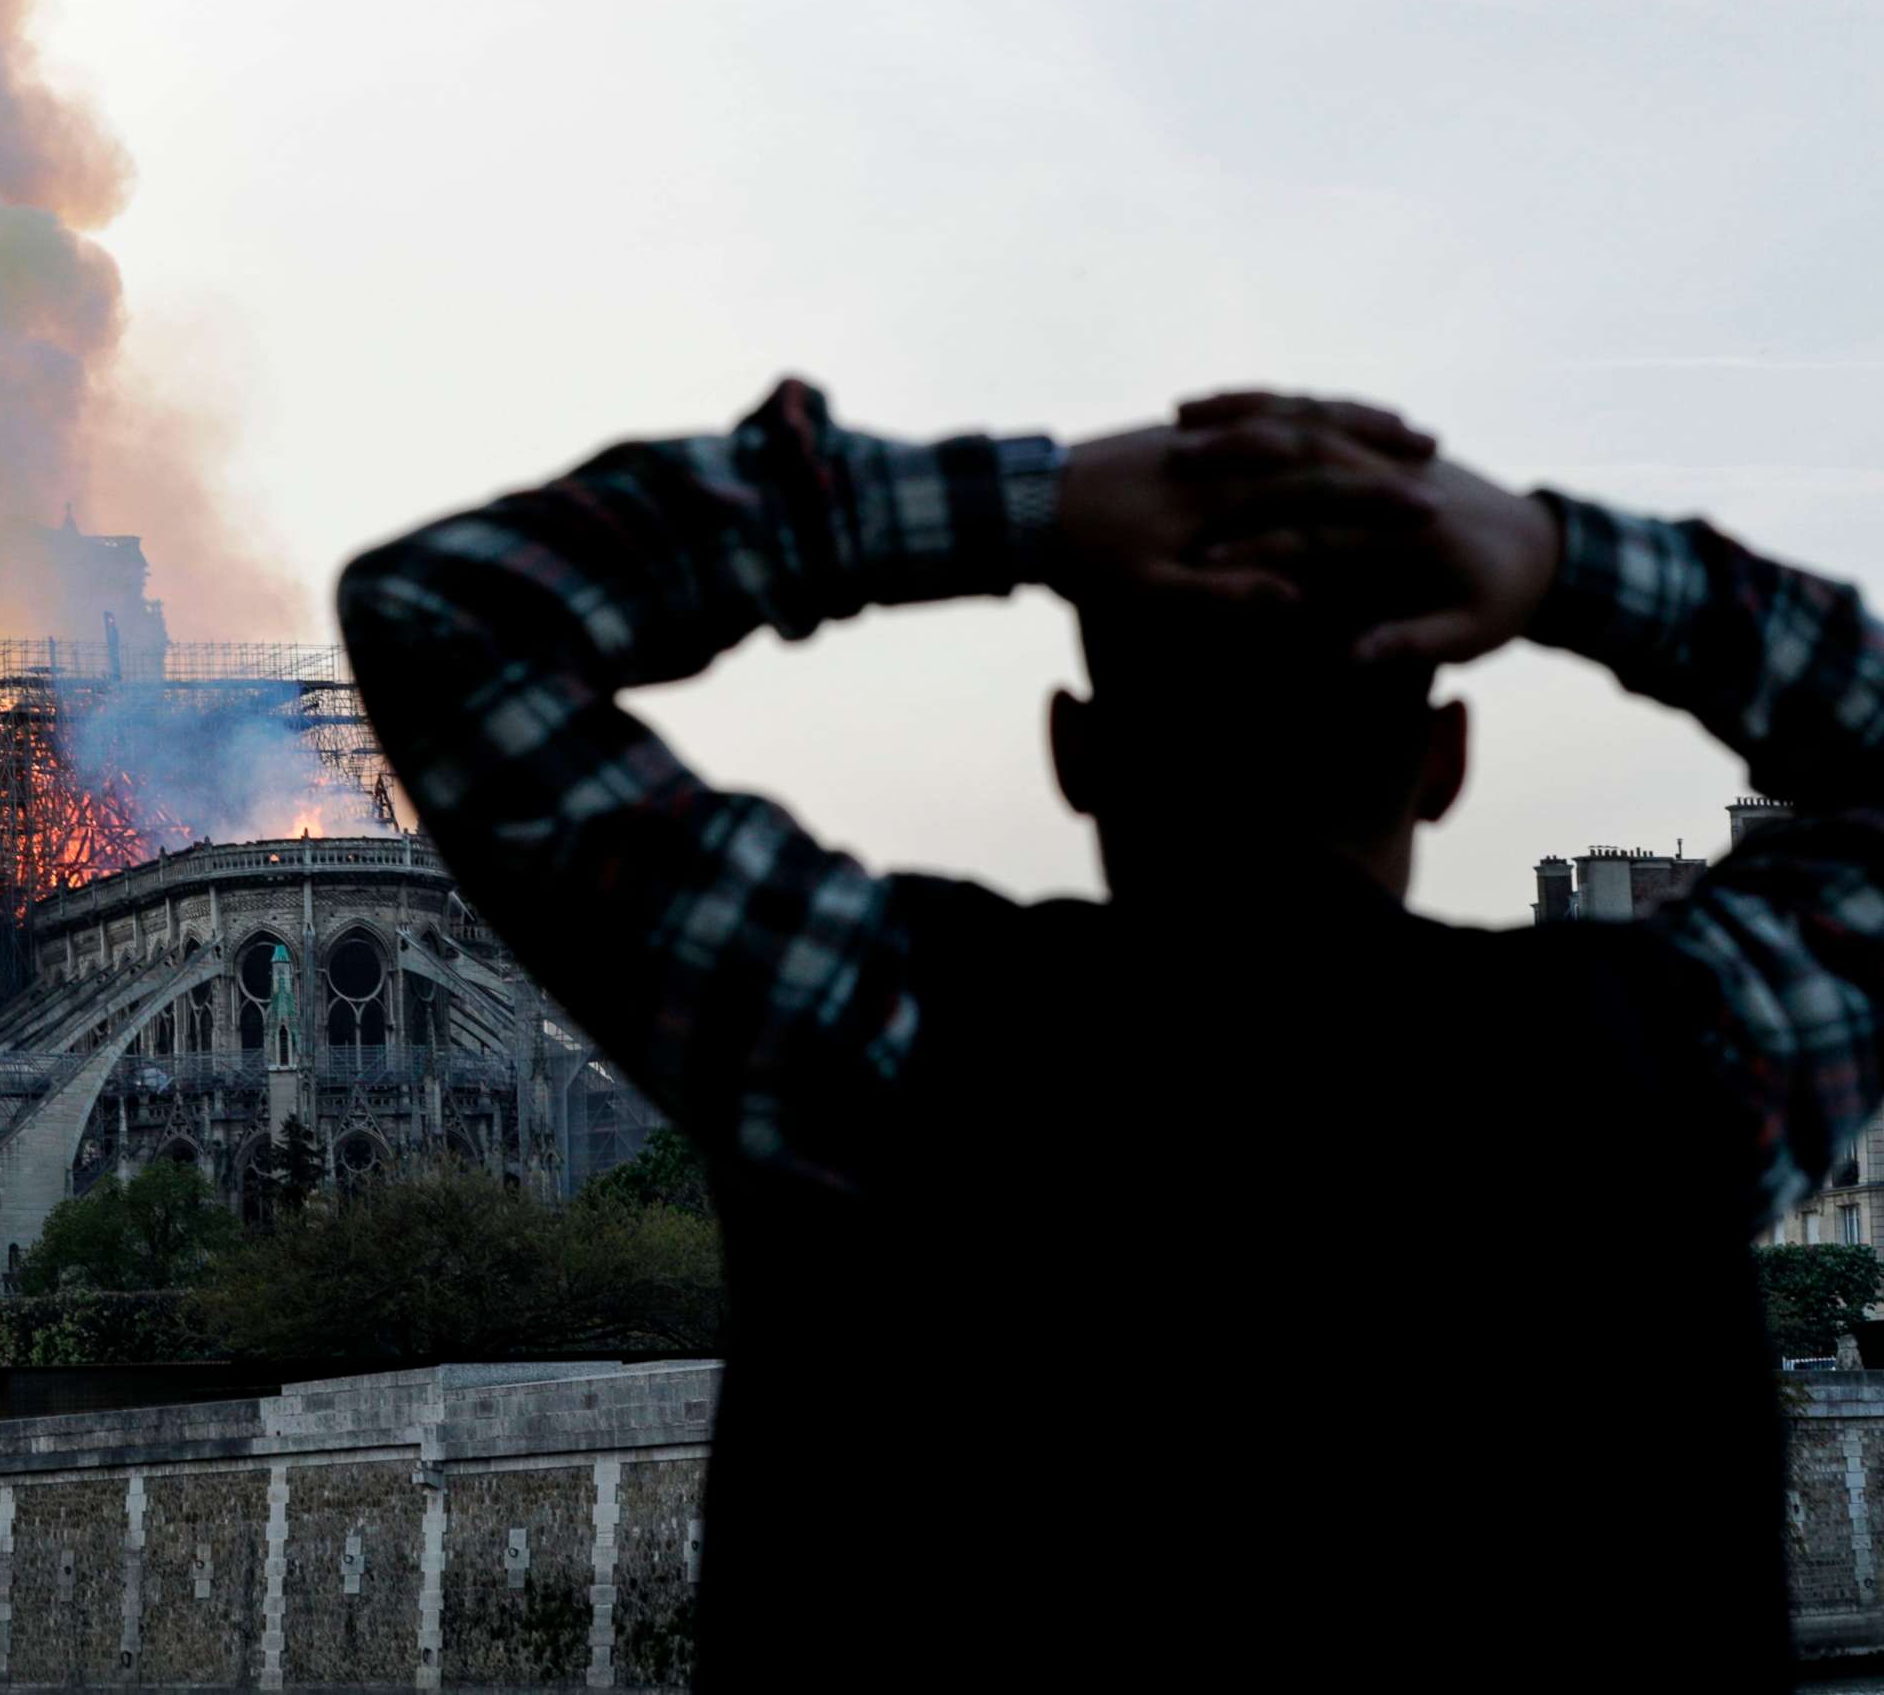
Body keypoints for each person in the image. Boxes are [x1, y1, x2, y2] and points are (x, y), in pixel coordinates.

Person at [337, 381, 1881, 1688]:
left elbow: (449, 611)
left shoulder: (873, 1028)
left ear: (1072, 751)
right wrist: (1559, 560)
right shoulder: (1672, 1071)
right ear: (1446, 760)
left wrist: (1025, 506)